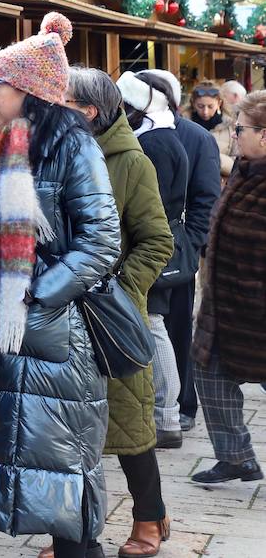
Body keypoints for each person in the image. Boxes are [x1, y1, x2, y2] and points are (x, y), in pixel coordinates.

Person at [0, 13, 121, 558]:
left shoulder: (73, 148)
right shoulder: (3, 147)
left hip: (62, 333)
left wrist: (37, 293)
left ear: (30, 92)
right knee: (42, 463)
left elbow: (103, 241)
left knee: (66, 465)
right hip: (22, 333)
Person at [61, 67, 174, 558]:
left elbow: (157, 241)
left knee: (128, 426)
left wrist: (120, 292)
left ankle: (149, 515)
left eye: (61, 100)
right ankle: (69, 532)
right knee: (64, 431)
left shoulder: (132, 162)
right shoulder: (51, 154)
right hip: (58, 314)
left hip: (110, 317)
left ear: (88, 111)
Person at [190, 90, 266, 486]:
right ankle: (236, 457)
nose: (235, 135)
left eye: (241, 129)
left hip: (259, 312)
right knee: (209, 372)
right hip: (225, 309)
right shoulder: (245, 169)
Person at [143, 69, 221, 433]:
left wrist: (189, 245)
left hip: (177, 253)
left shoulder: (196, 138)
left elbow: (206, 198)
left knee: (175, 328)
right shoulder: (137, 130)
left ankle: (183, 404)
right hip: (141, 249)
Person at [117, 72, 191, 451]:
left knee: (155, 325)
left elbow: (150, 206)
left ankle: (167, 417)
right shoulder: (161, 137)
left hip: (152, 247)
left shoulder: (157, 144)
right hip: (156, 244)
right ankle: (166, 415)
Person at [187, 81, 234, 177]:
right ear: (193, 103)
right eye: (200, 106)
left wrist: (213, 158)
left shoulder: (231, 126)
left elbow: (237, 163)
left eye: (210, 106)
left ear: (219, 103)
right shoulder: (184, 125)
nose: (205, 111)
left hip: (221, 183)